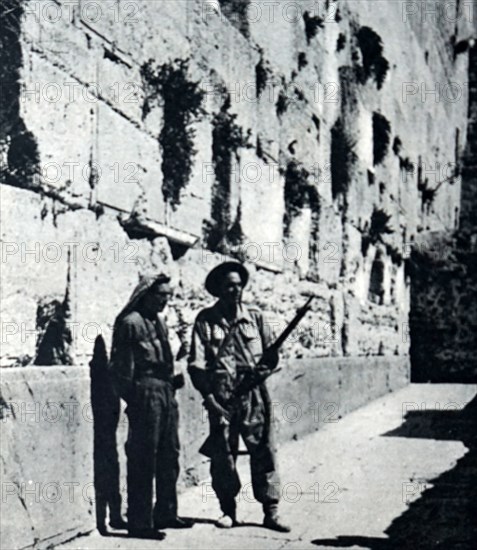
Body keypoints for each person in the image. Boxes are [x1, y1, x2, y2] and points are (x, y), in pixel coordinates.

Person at [188, 262, 290, 532]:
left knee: (263, 450)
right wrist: (209, 398)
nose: (235, 290)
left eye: (238, 284)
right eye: (229, 285)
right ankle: (227, 510)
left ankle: (271, 511)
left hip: (254, 395)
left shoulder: (255, 318)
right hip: (221, 397)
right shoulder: (205, 320)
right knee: (223, 454)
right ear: (219, 289)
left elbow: (272, 356)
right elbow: (197, 364)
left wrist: (259, 374)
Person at [110, 273, 193, 539]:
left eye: (169, 295)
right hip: (145, 393)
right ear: (146, 294)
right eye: (161, 295)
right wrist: (135, 398)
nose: (165, 301)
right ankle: (139, 522)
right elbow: (121, 369)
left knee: (170, 454)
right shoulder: (129, 323)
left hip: (166, 391)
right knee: (143, 456)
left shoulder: (159, 322)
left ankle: (166, 512)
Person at [90, 335, 127, 535]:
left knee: (109, 468)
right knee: (109, 467)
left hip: (105, 429)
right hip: (105, 429)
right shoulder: (106, 374)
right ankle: (111, 517)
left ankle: (111, 516)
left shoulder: (104, 373)